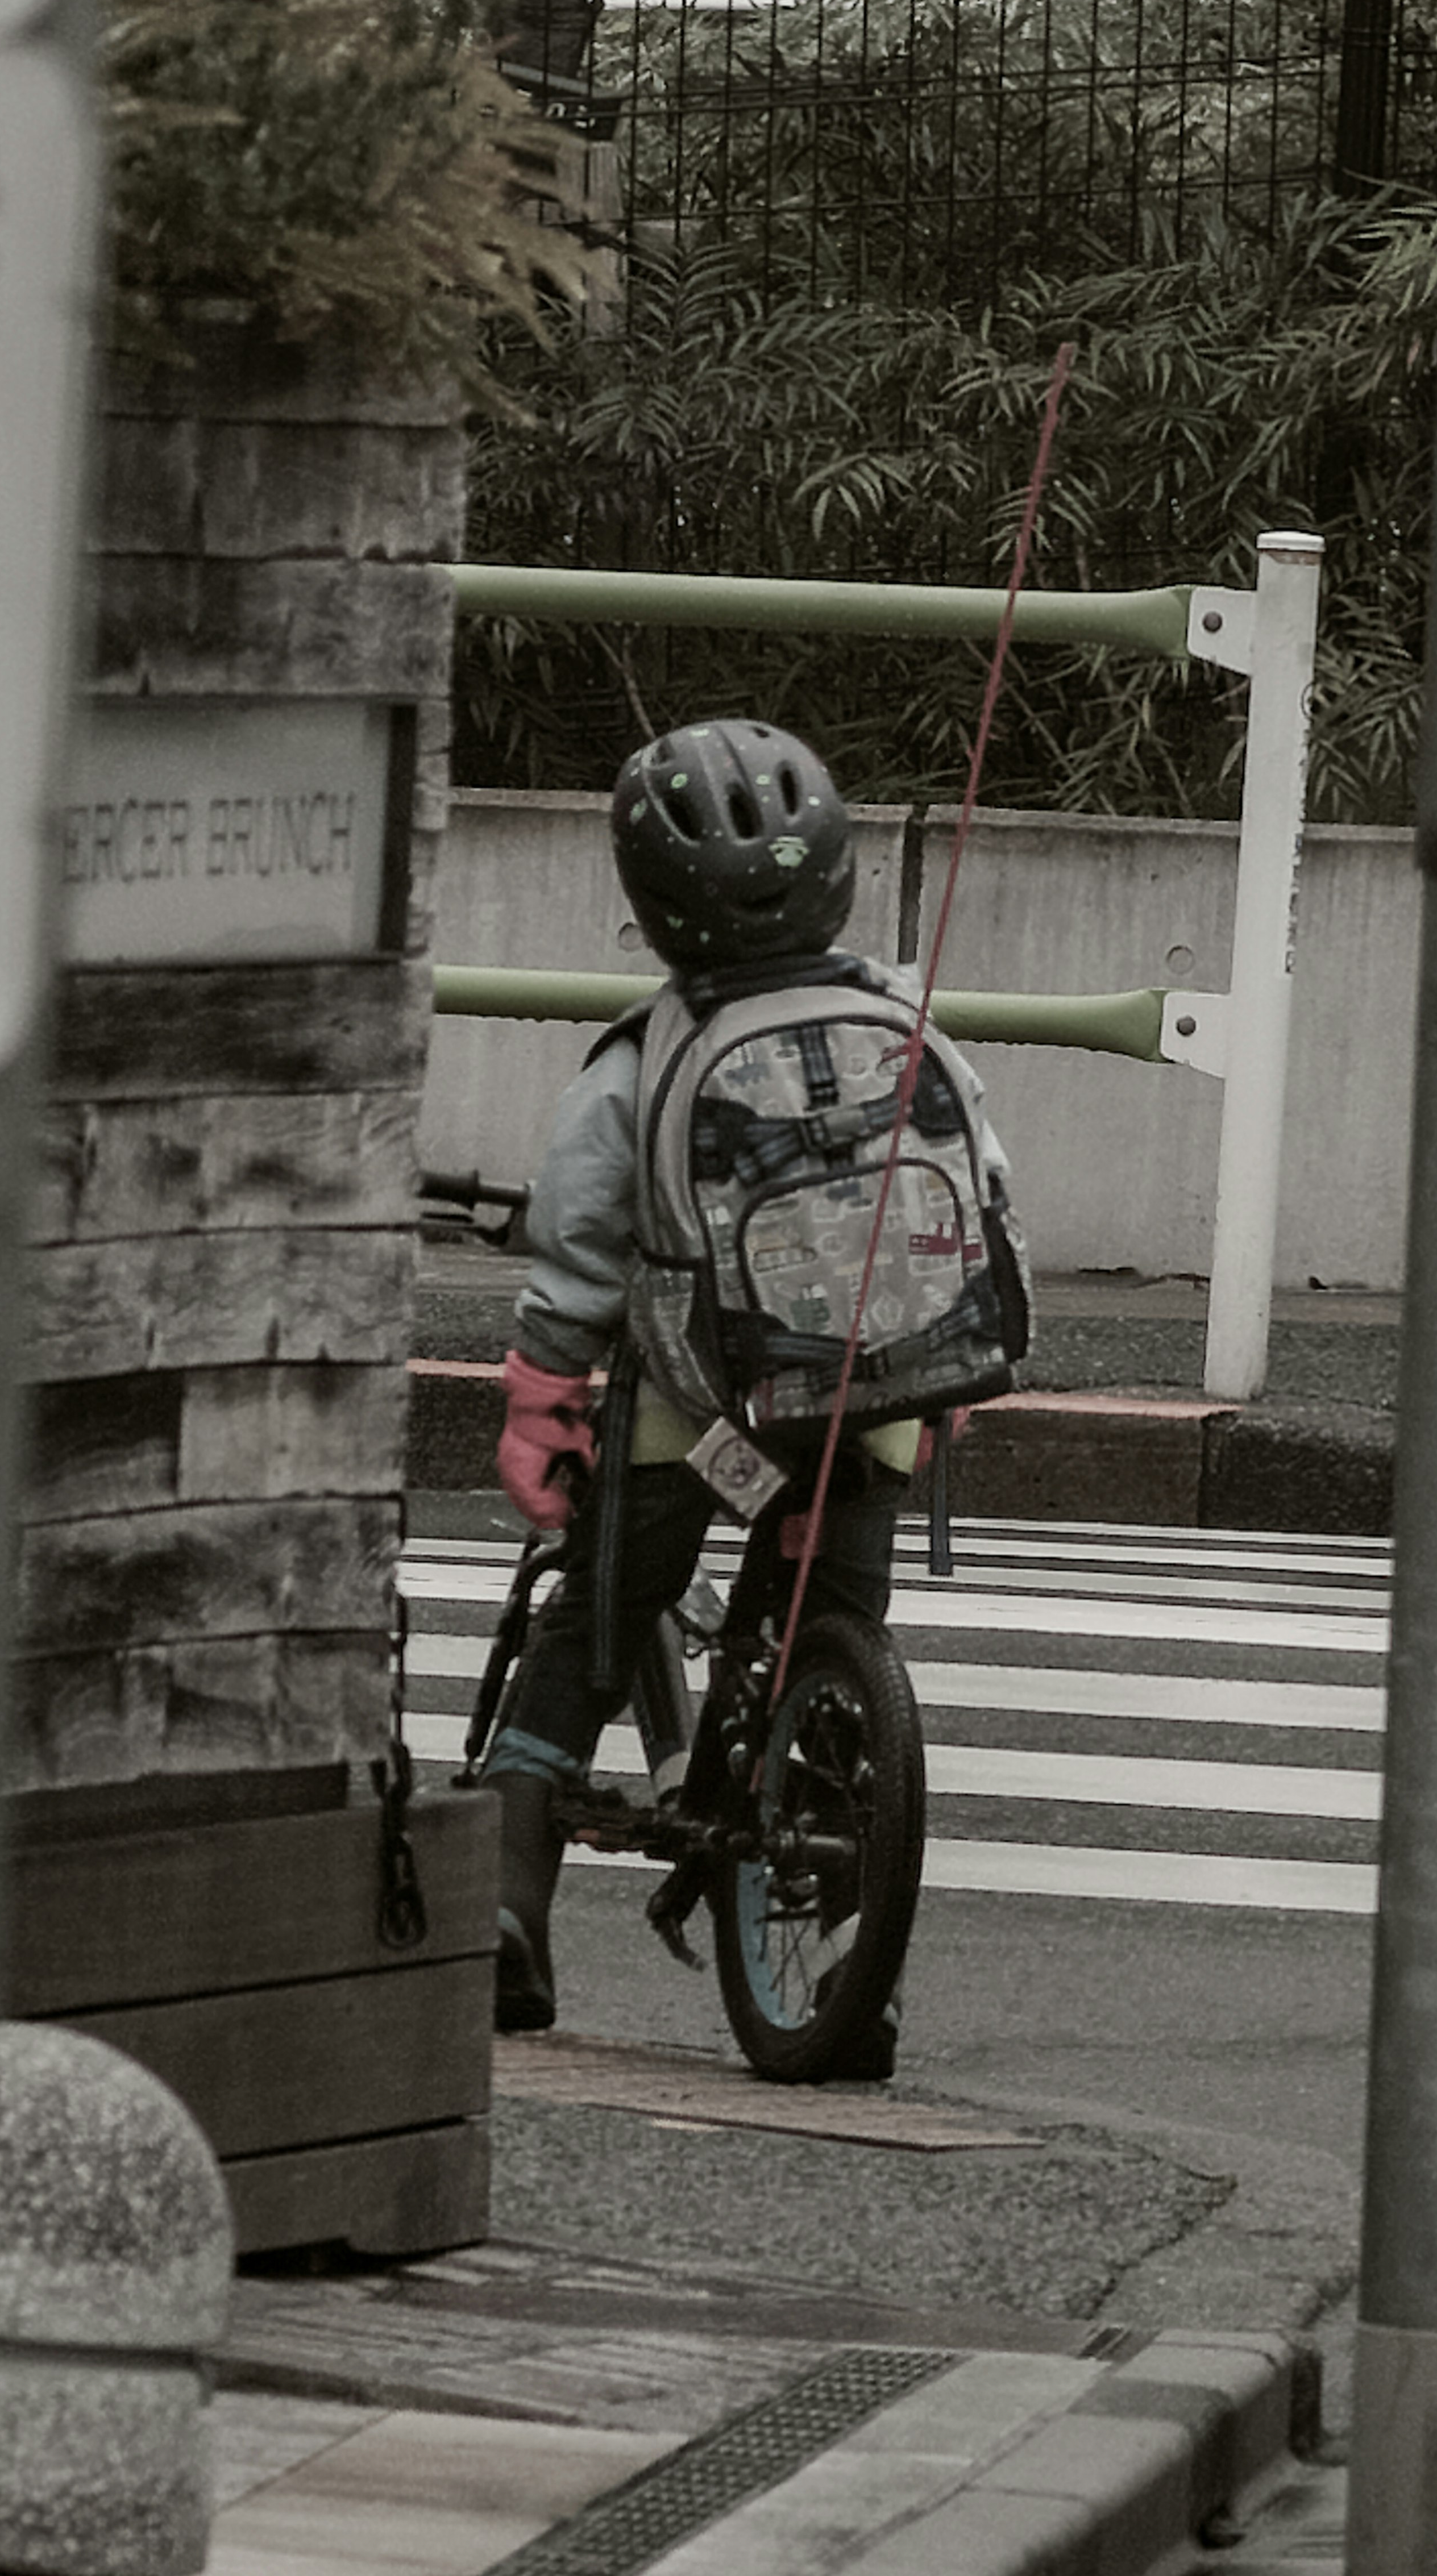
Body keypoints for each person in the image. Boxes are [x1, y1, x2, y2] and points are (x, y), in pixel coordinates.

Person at [484, 715, 1007, 2055]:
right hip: (877, 1411)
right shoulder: (910, 1026)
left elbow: (582, 1243)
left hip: (697, 1410)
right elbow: (984, 1203)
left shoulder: (643, 1054)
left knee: (587, 1638)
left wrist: (544, 1398)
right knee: (830, 1651)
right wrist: (938, 1383)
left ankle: (505, 1912)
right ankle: (853, 1974)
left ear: (654, 910)